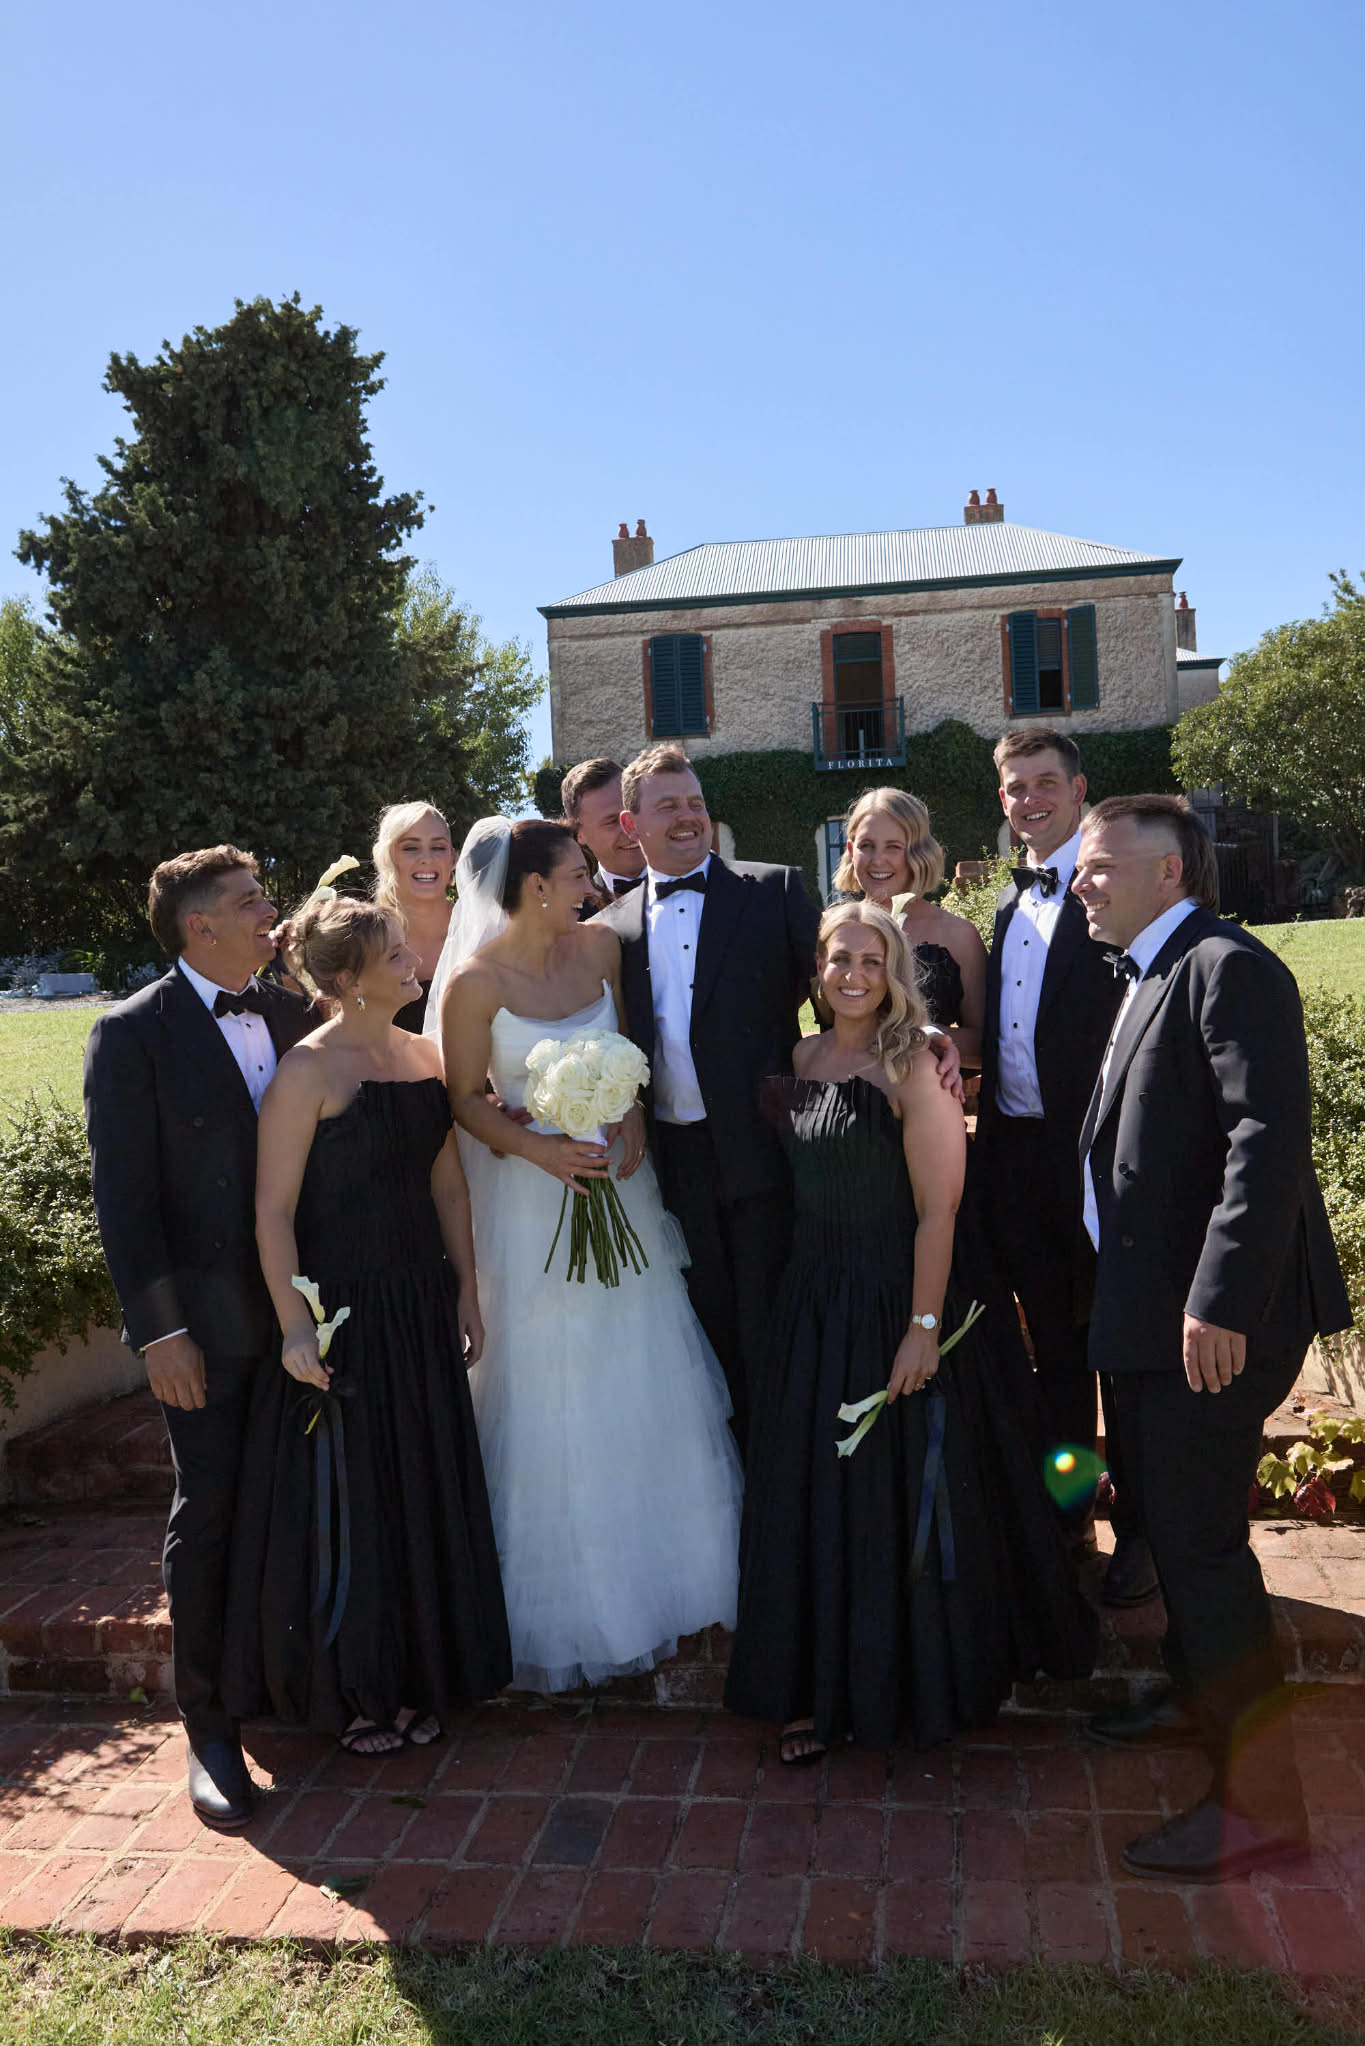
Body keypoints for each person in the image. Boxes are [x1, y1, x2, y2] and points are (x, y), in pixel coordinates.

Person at [725, 902, 1096, 1762]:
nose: (852, 974)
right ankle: (814, 1690)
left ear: (893, 972)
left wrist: (922, 1330)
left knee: (889, 1501)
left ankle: (902, 1685)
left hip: (894, 1299)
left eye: (869, 960)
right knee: (816, 1501)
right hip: (813, 1304)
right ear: (816, 972)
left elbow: (939, 1212)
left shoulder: (915, 1067)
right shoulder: (800, 1058)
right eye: (838, 960)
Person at [1073, 795, 1351, 1881]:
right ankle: (1196, 1700)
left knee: (1200, 1546)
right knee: (1170, 1520)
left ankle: (1262, 1809)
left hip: (1213, 1321)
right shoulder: (1154, 966)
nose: (1082, 881)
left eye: (1102, 865)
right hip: (1150, 1311)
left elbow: (1266, 1140)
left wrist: (1221, 1301)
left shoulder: (1228, 966)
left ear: (1170, 872)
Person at [434, 816, 742, 1692]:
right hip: (536, 1204)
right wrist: (539, 1150)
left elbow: (631, 1055)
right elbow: (463, 1100)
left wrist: (631, 1115)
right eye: (576, 872)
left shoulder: (602, 949)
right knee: (558, 1383)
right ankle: (577, 1600)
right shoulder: (472, 984)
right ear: (534, 885)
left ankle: (674, 1573)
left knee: (640, 1363)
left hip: (622, 1190)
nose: (592, 883)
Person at [222, 892, 510, 1751]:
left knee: (421, 1486)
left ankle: (423, 1678)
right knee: (357, 1501)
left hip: (419, 1302)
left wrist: (465, 1291)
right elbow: (272, 1213)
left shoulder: (425, 1056)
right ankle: (357, 1690)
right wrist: (294, 1326)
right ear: (348, 980)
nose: (413, 963)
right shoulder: (305, 1072)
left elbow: (447, 1186)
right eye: (394, 956)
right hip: (342, 1316)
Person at [83, 847, 314, 1829]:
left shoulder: (297, 1012)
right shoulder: (131, 1033)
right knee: (210, 1509)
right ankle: (210, 1728)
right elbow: (124, 1201)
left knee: (299, 1496)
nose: (271, 912)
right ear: (199, 926)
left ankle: (300, 1685)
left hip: (310, 1307)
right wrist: (160, 1333)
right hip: (205, 1328)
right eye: (250, 901)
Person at [976, 728, 1155, 1606]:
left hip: (1096, 1160)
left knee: (1117, 1351)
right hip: (1016, 1159)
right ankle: (1069, 1511)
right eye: (1015, 787)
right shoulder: (1007, 908)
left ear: (1079, 790)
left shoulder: (1112, 893)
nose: (1030, 799)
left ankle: (1142, 1530)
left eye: (1045, 782)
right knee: (1052, 1350)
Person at [832, 786, 987, 1062]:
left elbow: (986, 1047)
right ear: (851, 850)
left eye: (893, 847)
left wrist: (921, 1035)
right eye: (866, 846)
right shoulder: (830, 931)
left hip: (926, 1087)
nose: (878, 860)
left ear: (919, 852)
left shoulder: (959, 936)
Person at [371, 801, 456, 1033]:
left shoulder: (481, 930)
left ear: (453, 858)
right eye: (410, 848)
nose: (426, 858)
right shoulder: (364, 937)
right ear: (387, 857)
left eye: (438, 847)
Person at [560, 757, 647, 911]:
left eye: (633, 812)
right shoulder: (574, 915)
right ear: (579, 834)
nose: (631, 828)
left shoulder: (693, 880)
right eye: (612, 821)